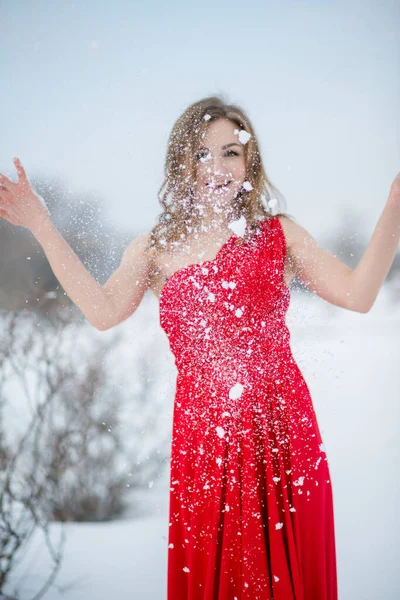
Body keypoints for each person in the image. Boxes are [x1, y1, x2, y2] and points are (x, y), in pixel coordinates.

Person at [0, 96, 399, 600]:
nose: (217, 166)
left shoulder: (279, 235)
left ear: (249, 161)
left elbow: (360, 295)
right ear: (181, 164)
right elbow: (102, 312)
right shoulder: (155, 247)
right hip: (204, 443)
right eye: (202, 153)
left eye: (231, 152)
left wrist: (393, 208)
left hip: (281, 433)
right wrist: (41, 224)